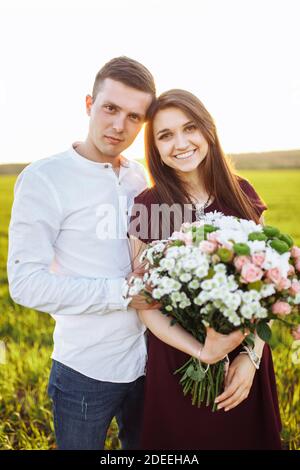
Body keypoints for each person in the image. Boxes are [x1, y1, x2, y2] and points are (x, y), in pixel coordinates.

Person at [7, 56, 158, 450]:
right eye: (110, 108)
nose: (118, 125)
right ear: (90, 104)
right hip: (85, 370)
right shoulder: (44, 178)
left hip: (150, 363)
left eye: (133, 116)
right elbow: (26, 285)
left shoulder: (138, 176)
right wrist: (121, 293)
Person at [129, 89, 282, 450]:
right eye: (165, 135)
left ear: (207, 131)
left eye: (190, 128)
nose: (180, 143)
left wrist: (249, 357)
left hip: (242, 362)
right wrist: (204, 353)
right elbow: (144, 304)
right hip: (178, 364)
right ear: (155, 148)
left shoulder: (241, 193)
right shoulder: (147, 206)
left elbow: (267, 289)